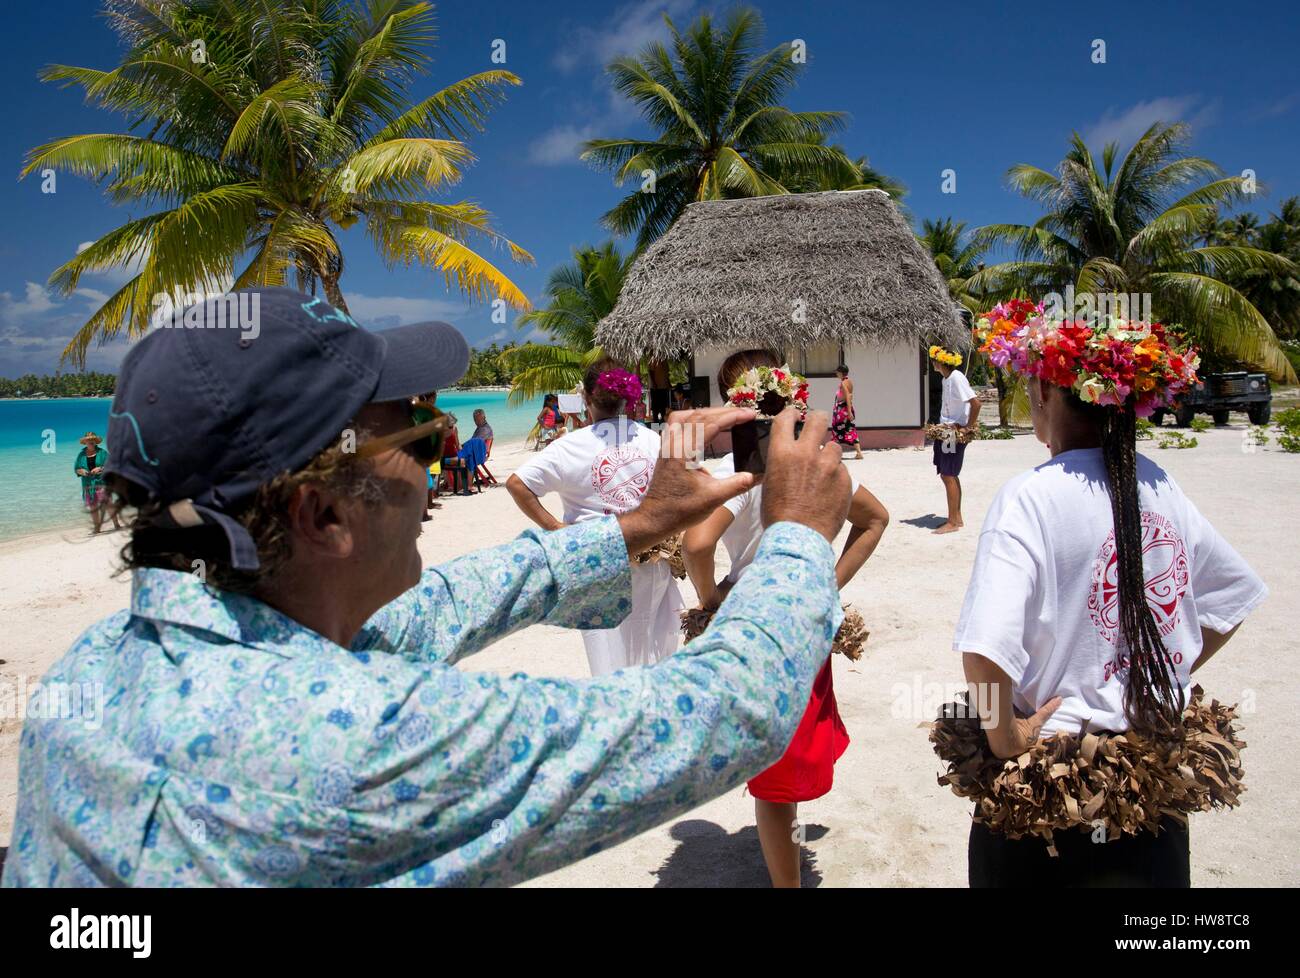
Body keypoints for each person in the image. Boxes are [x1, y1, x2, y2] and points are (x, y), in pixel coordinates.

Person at [1, 287, 851, 888]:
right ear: (323, 518)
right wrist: (799, 533)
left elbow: (448, 600)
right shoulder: (355, 741)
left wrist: (636, 525)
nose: (443, 456)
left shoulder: (96, 667)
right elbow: (726, 711)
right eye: (425, 435)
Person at [942, 314, 1266, 887]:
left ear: (1044, 388)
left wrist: (1007, 738)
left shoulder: (1031, 497)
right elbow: (1232, 598)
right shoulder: (1158, 483)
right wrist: (1163, 671)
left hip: (1048, 803)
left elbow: (984, 651)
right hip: (1148, 792)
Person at [683, 349, 890, 887]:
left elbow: (697, 545)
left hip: (758, 633)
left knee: (773, 777)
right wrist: (823, 585)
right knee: (790, 756)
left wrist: (711, 604)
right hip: (806, 627)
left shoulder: (739, 475)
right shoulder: (821, 471)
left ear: (734, 405)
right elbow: (875, 521)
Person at [507, 359, 682, 675]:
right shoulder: (654, 440)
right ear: (627, 398)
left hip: (596, 561)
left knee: (606, 652)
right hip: (651, 556)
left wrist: (558, 529)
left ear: (586, 398)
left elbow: (517, 484)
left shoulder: (568, 446)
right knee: (651, 648)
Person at [929, 346, 979, 534]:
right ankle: (956, 518)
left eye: (934, 359)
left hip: (954, 432)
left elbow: (976, 403)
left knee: (948, 475)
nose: (933, 362)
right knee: (949, 474)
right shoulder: (946, 379)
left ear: (941, 361)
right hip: (946, 431)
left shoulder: (957, 378)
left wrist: (968, 428)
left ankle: (952, 522)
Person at [74, 431, 120, 533]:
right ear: (85, 442)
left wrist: (101, 468)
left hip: (101, 481)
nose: (90, 442)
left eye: (92, 440)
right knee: (93, 506)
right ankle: (97, 528)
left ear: (95, 442)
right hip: (87, 483)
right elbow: (76, 469)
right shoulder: (81, 455)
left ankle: (116, 524)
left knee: (108, 503)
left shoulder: (102, 453)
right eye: (88, 440)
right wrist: (82, 471)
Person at [831, 364, 863, 460]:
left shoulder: (844, 383)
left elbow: (848, 397)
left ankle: (833, 453)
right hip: (844, 409)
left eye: (837, 372)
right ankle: (859, 452)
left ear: (841, 372)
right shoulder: (849, 381)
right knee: (849, 429)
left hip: (843, 410)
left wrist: (849, 411)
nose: (836, 373)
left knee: (837, 430)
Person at [469, 408, 498, 486]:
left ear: (484, 418)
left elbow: (473, 444)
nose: (476, 422)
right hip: (479, 454)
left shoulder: (484, 429)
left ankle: (464, 484)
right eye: (475, 419)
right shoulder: (481, 428)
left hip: (478, 456)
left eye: (478, 419)